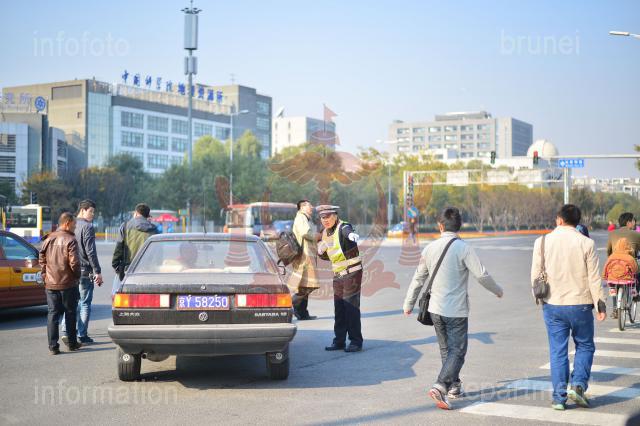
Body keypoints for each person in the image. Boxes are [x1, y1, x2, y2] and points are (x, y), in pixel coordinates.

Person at [403, 207, 503, 410]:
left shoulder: (430, 248)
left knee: (446, 350)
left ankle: (454, 386)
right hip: (456, 310)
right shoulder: (463, 248)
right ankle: (441, 386)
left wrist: (408, 303)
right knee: (457, 351)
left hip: (435, 309)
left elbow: (418, 278)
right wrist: (497, 290)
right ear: (459, 226)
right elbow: (481, 275)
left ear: (440, 226)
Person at [531, 204, 606, 411]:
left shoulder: (542, 242)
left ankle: (559, 398)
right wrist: (600, 304)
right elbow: (594, 278)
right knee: (585, 346)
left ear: (559, 220)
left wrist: (538, 298)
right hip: (580, 304)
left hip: (553, 305)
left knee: (558, 351)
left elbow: (535, 274)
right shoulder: (587, 243)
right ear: (577, 221)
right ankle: (578, 385)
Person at [317, 205, 363, 352]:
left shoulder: (343, 227)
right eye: (323, 217)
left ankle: (356, 341)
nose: (325, 220)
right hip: (337, 274)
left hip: (352, 272)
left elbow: (347, 232)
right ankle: (339, 341)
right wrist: (320, 251)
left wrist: (351, 236)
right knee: (339, 308)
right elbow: (327, 254)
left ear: (335, 216)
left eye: (328, 217)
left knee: (351, 307)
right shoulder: (324, 233)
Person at [61, 199, 103, 345]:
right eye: (91, 211)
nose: (92, 214)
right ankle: (82, 334)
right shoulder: (87, 227)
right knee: (84, 303)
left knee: (71, 302)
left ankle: (65, 331)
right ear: (83, 210)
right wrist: (97, 271)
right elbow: (90, 251)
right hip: (84, 270)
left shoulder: (69, 224)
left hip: (69, 270)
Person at [39, 212, 82, 355]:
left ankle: (53, 346)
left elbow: (41, 258)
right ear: (67, 223)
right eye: (74, 224)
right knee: (70, 313)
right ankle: (72, 343)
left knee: (52, 314)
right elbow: (74, 263)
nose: (75, 227)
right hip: (68, 284)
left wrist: (44, 275)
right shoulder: (70, 240)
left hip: (50, 283)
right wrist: (77, 276)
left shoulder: (48, 238)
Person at [112, 203, 159, 289]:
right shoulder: (154, 229)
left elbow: (119, 248)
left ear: (136, 213)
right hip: (148, 270)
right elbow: (158, 252)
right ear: (147, 215)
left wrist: (116, 266)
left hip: (129, 269)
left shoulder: (125, 226)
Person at [288, 200, 320, 320]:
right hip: (304, 256)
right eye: (309, 205)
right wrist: (317, 236)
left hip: (307, 255)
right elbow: (305, 232)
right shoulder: (301, 217)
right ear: (302, 207)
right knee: (308, 286)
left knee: (305, 286)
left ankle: (302, 313)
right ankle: (291, 303)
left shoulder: (305, 218)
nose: (312, 207)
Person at [603, 238, 639, 318]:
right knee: (633, 282)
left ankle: (612, 291)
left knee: (612, 286)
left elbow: (605, 268)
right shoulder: (629, 258)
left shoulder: (612, 257)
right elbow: (635, 270)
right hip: (626, 279)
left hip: (613, 279)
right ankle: (633, 293)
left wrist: (604, 277)